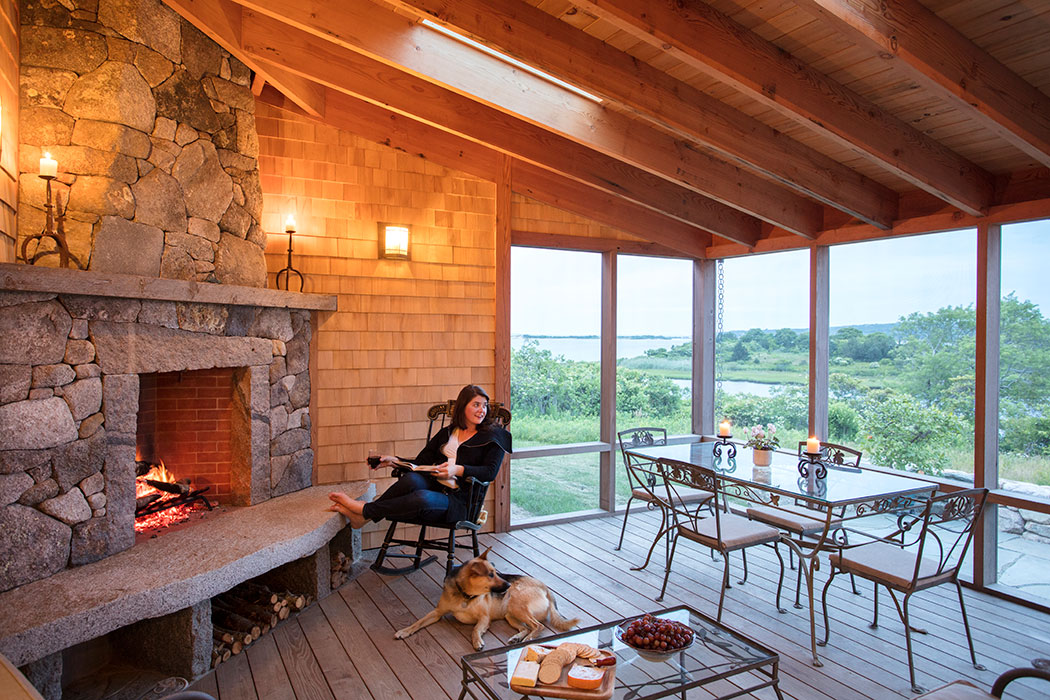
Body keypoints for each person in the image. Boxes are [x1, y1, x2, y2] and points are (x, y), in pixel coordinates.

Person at [328, 384, 512, 529]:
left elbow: (489, 472)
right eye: (476, 405)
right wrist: (394, 462)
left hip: (459, 500)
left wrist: (457, 469)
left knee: (422, 497)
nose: (482, 410)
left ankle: (364, 510)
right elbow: (421, 463)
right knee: (411, 480)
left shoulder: (495, 436)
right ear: (463, 407)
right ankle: (364, 517)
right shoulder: (448, 432)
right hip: (436, 487)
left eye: (485, 406)